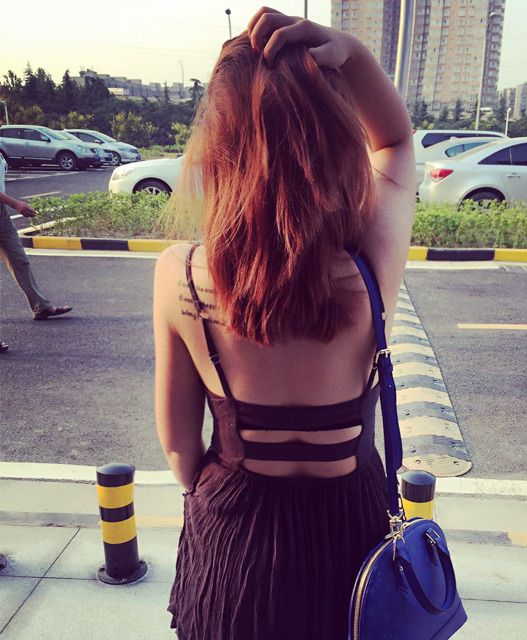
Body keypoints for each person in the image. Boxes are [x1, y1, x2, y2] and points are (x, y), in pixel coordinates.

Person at [153, 8, 414, 639]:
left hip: (237, 536)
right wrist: (352, 53)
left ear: (218, 145)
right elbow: (397, 142)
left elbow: (181, 449)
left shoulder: (181, 273)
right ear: (335, 140)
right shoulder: (370, 264)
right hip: (350, 532)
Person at [0, 154, 72, 352]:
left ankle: (41, 306)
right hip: (6, 207)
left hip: (2, 215)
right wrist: (16, 204)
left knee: (20, 261)